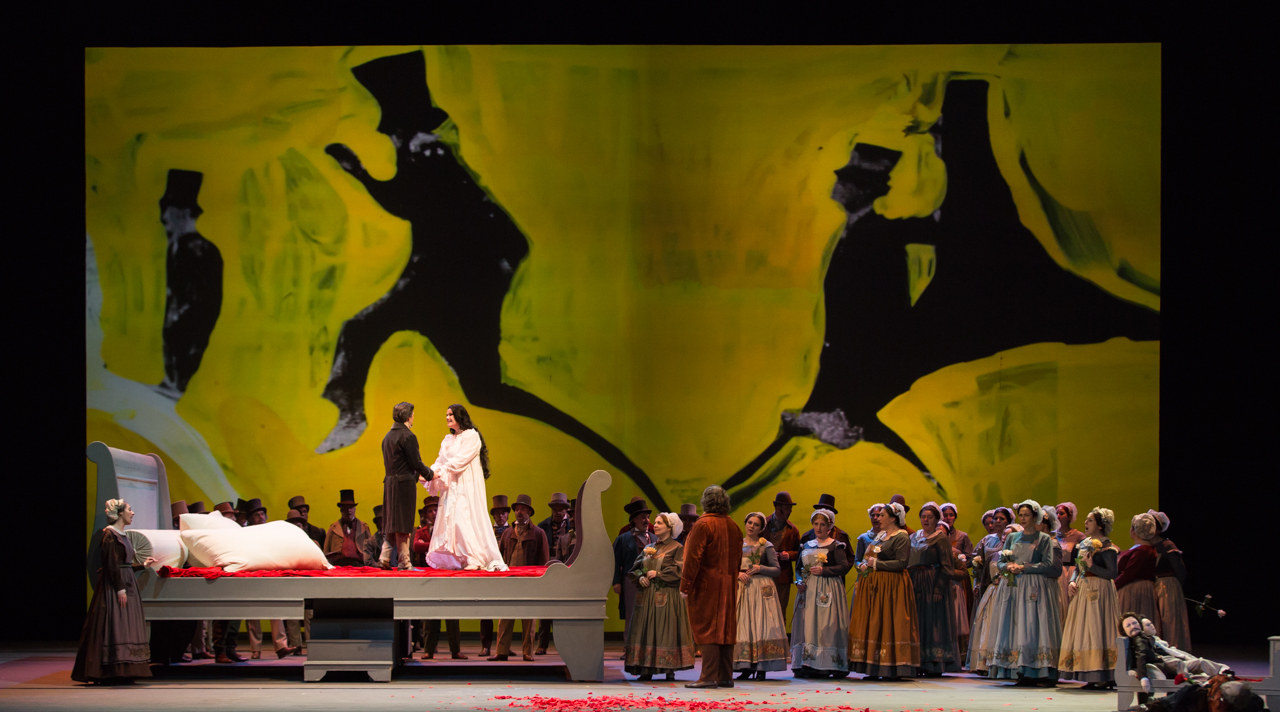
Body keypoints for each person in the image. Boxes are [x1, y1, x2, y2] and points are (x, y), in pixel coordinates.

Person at [72, 499, 156, 684]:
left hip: (126, 582)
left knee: (126, 627)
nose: (132, 513)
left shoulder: (122, 535)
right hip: (114, 586)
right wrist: (120, 588)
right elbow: (111, 564)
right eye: (129, 509)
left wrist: (142, 565)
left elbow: (124, 564)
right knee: (114, 625)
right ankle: (109, 671)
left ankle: (125, 671)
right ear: (119, 513)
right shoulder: (110, 535)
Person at [983, 499, 1063, 685]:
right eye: (1021, 515)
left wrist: (1024, 567)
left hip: (1033, 585)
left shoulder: (1043, 539)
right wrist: (1007, 566)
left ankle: (1035, 668)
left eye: (1027, 515)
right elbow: (1001, 561)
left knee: (1032, 625)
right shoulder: (1012, 537)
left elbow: (1048, 564)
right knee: (1015, 624)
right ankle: (1017, 668)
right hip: (1013, 586)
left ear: (1035, 517)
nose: (1023, 518)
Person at [424, 404, 507, 571]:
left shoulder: (471, 436)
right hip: (451, 486)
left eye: (451, 414)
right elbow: (440, 460)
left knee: (463, 519)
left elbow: (459, 461)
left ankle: (474, 557)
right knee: (453, 522)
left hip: (465, 485)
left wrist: (438, 473)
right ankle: (460, 559)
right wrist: (429, 473)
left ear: (460, 416)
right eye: (446, 415)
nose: (447, 418)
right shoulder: (448, 440)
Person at [681, 485, 743, 689]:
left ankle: (708, 676)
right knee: (725, 629)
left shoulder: (703, 524)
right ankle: (725, 676)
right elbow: (738, 560)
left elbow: (692, 558)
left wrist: (685, 585)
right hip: (728, 585)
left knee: (707, 627)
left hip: (706, 586)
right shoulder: (733, 526)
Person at [848, 501, 918, 679]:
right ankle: (873, 666)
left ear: (893, 518)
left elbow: (902, 563)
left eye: (882, 515)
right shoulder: (881, 535)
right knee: (875, 624)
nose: (878, 518)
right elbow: (870, 555)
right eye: (877, 515)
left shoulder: (901, 537)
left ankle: (891, 668)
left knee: (888, 623)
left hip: (892, 586)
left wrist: (877, 564)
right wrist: (864, 564)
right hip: (876, 586)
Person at [624, 512, 695, 681]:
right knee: (646, 631)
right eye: (655, 523)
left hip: (666, 596)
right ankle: (645, 668)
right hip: (646, 596)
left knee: (665, 631)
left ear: (670, 527)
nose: (655, 525)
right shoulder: (650, 547)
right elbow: (636, 568)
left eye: (659, 523)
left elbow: (680, 570)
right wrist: (640, 577)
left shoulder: (676, 548)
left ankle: (668, 667)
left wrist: (659, 574)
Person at [1058, 506, 1120, 688]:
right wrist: (1072, 581)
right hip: (1083, 588)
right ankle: (1088, 672)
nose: (1086, 523)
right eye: (1086, 519)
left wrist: (1092, 566)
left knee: (1097, 628)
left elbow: (1112, 573)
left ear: (1100, 525)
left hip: (1100, 590)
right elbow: (1079, 567)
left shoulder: (1108, 547)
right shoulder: (1084, 544)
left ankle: (1102, 673)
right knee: (1084, 629)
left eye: (1090, 520)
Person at [791, 508, 852, 678]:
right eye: (816, 524)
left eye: (822, 524)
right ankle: (807, 663)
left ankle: (826, 664)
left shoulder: (835, 545)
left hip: (828, 588)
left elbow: (843, 566)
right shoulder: (806, 545)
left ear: (829, 527)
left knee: (825, 625)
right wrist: (799, 581)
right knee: (807, 625)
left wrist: (824, 571)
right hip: (808, 590)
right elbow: (799, 568)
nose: (818, 528)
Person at [489, 495, 549, 661]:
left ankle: (527, 652)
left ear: (529, 511)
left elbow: (544, 560)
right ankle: (501, 651)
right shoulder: (508, 533)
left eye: (522, 509)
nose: (519, 512)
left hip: (529, 582)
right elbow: (500, 557)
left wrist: (540, 582)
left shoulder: (538, 533)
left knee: (528, 618)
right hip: (509, 580)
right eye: (517, 509)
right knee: (505, 616)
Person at [732, 511, 788, 680]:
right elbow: (730, 566)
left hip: (762, 588)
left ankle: (762, 666)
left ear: (761, 528)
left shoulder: (766, 545)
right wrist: (737, 574)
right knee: (745, 625)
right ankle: (746, 666)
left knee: (762, 625)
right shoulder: (737, 544)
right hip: (744, 588)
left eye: (756, 524)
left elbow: (776, 569)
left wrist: (761, 568)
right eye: (750, 523)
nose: (752, 526)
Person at [381, 401, 435, 570]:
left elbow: (399, 463)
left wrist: (417, 475)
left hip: (390, 484)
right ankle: (404, 562)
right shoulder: (408, 436)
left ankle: (384, 557)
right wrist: (430, 474)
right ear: (408, 416)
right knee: (403, 523)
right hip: (403, 485)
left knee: (392, 522)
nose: (413, 418)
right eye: (412, 415)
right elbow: (415, 462)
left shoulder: (387, 437)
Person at [909, 502, 960, 675]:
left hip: (932, 581)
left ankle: (934, 663)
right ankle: (917, 661)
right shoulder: (914, 537)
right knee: (918, 621)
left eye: (929, 517)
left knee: (933, 622)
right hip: (916, 582)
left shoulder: (940, 538)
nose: (926, 520)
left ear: (937, 519)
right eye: (923, 517)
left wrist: (938, 588)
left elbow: (947, 566)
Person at [966, 506, 1012, 673]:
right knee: (986, 623)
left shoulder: (1013, 538)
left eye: (1001, 519)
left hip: (1006, 585)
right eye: (995, 519)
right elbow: (976, 560)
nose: (997, 521)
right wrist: (978, 579)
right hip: (990, 585)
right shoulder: (987, 540)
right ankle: (983, 662)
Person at [613, 497, 655, 646]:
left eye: (647, 517)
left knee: (650, 614)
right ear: (634, 519)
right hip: (631, 581)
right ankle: (630, 647)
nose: (646, 520)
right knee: (632, 614)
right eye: (643, 517)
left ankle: (648, 647)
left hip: (651, 582)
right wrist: (616, 582)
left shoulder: (655, 538)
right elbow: (615, 562)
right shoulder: (624, 539)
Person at [535, 492, 573, 654]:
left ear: (566, 510)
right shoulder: (543, 526)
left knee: (566, 609)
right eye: (555, 508)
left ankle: (566, 645)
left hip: (567, 570)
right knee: (545, 608)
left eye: (561, 509)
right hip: (547, 570)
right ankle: (542, 644)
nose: (558, 512)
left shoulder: (573, 526)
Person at [1148, 510, 1191, 651]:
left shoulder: (1167, 545)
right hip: (1153, 586)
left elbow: (1180, 570)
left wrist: (1174, 588)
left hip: (1167, 586)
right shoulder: (1146, 547)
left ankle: (1174, 650)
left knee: (1169, 620)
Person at [762, 492, 801, 627]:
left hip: (782, 576)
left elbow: (799, 553)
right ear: (777, 507)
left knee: (780, 611)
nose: (789, 511)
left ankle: (780, 638)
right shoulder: (763, 524)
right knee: (764, 610)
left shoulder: (792, 530)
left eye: (790, 508)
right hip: (765, 575)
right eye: (787, 507)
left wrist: (788, 555)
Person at [940, 503, 973, 656]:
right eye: (945, 515)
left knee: (958, 614)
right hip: (941, 581)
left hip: (956, 579)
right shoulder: (935, 534)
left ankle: (959, 650)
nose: (948, 518)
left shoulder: (962, 536)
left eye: (951, 515)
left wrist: (958, 561)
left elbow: (969, 558)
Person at [1116, 512, 1161, 624]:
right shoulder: (1141, 549)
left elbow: (1129, 573)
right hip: (1135, 589)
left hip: (1134, 591)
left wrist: (1112, 586)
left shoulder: (1143, 550)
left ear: (1134, 530)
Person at [324, 489, 373, 567]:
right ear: (341, 509)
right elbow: (326, 551)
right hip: (338, 565)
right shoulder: (333, 528)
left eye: (351, 507)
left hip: (359, 565)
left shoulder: (364, 527)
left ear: (355, 509)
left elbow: (370, 549)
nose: (348, 510)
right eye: (345, 507)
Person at [1055, 502, 1086, 612]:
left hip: (1070, 573)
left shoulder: (1078, 536)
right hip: (1056, 572)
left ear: (1069, 517)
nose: (1058, 516)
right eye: (1056, 513)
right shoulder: (1052, 535)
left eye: (1061, 513)